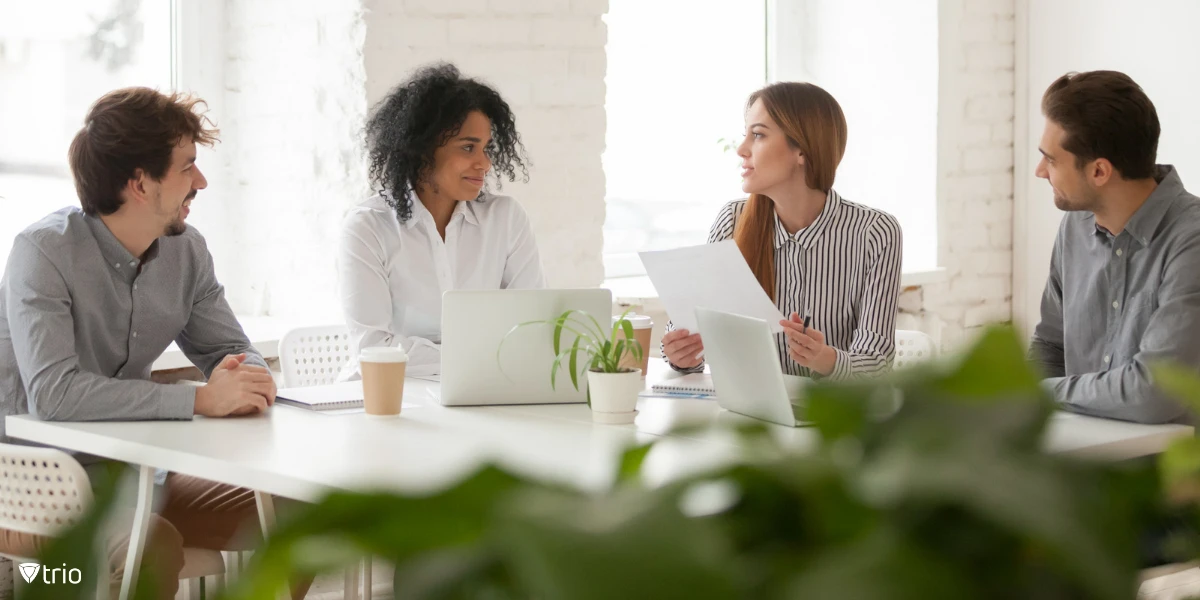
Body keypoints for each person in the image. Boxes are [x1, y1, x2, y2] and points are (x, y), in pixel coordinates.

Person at [0, 87, 308, 599]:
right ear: (140, 183)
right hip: (33, 487)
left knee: (299, 513)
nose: (201, 181)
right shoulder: (43, 253)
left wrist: (247, 378)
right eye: (187, 166)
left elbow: (233, 350)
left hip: (139, 478)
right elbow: (54, 394)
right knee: (153, 547)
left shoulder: (187, 253)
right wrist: (201, 398)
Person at [661, 82, 902, 380]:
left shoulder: (874, 233)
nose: (741, 149)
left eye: (758, 135)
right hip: (748, 416)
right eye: (745, 134)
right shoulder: (732, 220)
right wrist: (681, 353)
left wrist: (825, 359)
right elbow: (695, 335)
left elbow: (876, 365)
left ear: (802, 149)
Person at [338, 63, 545, 379]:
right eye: (468, 147)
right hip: (387, 399)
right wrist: (482, 357)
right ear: (421, 149)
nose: (485, 163)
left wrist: (481, 361)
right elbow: (374, 347)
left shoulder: (506, 219)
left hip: (482, 391)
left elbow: (531, 327)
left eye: (486, 148)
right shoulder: (368, 228)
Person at [1028, 70, 1200, 425]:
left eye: (1052, 159)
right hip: (1087, 458)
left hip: (1167, 475)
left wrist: (1043, 393)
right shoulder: (1075, 226)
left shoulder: (1191, 240)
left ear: (1100, 172)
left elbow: (1153, 393)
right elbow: (1050, 346)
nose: (1040, 171)